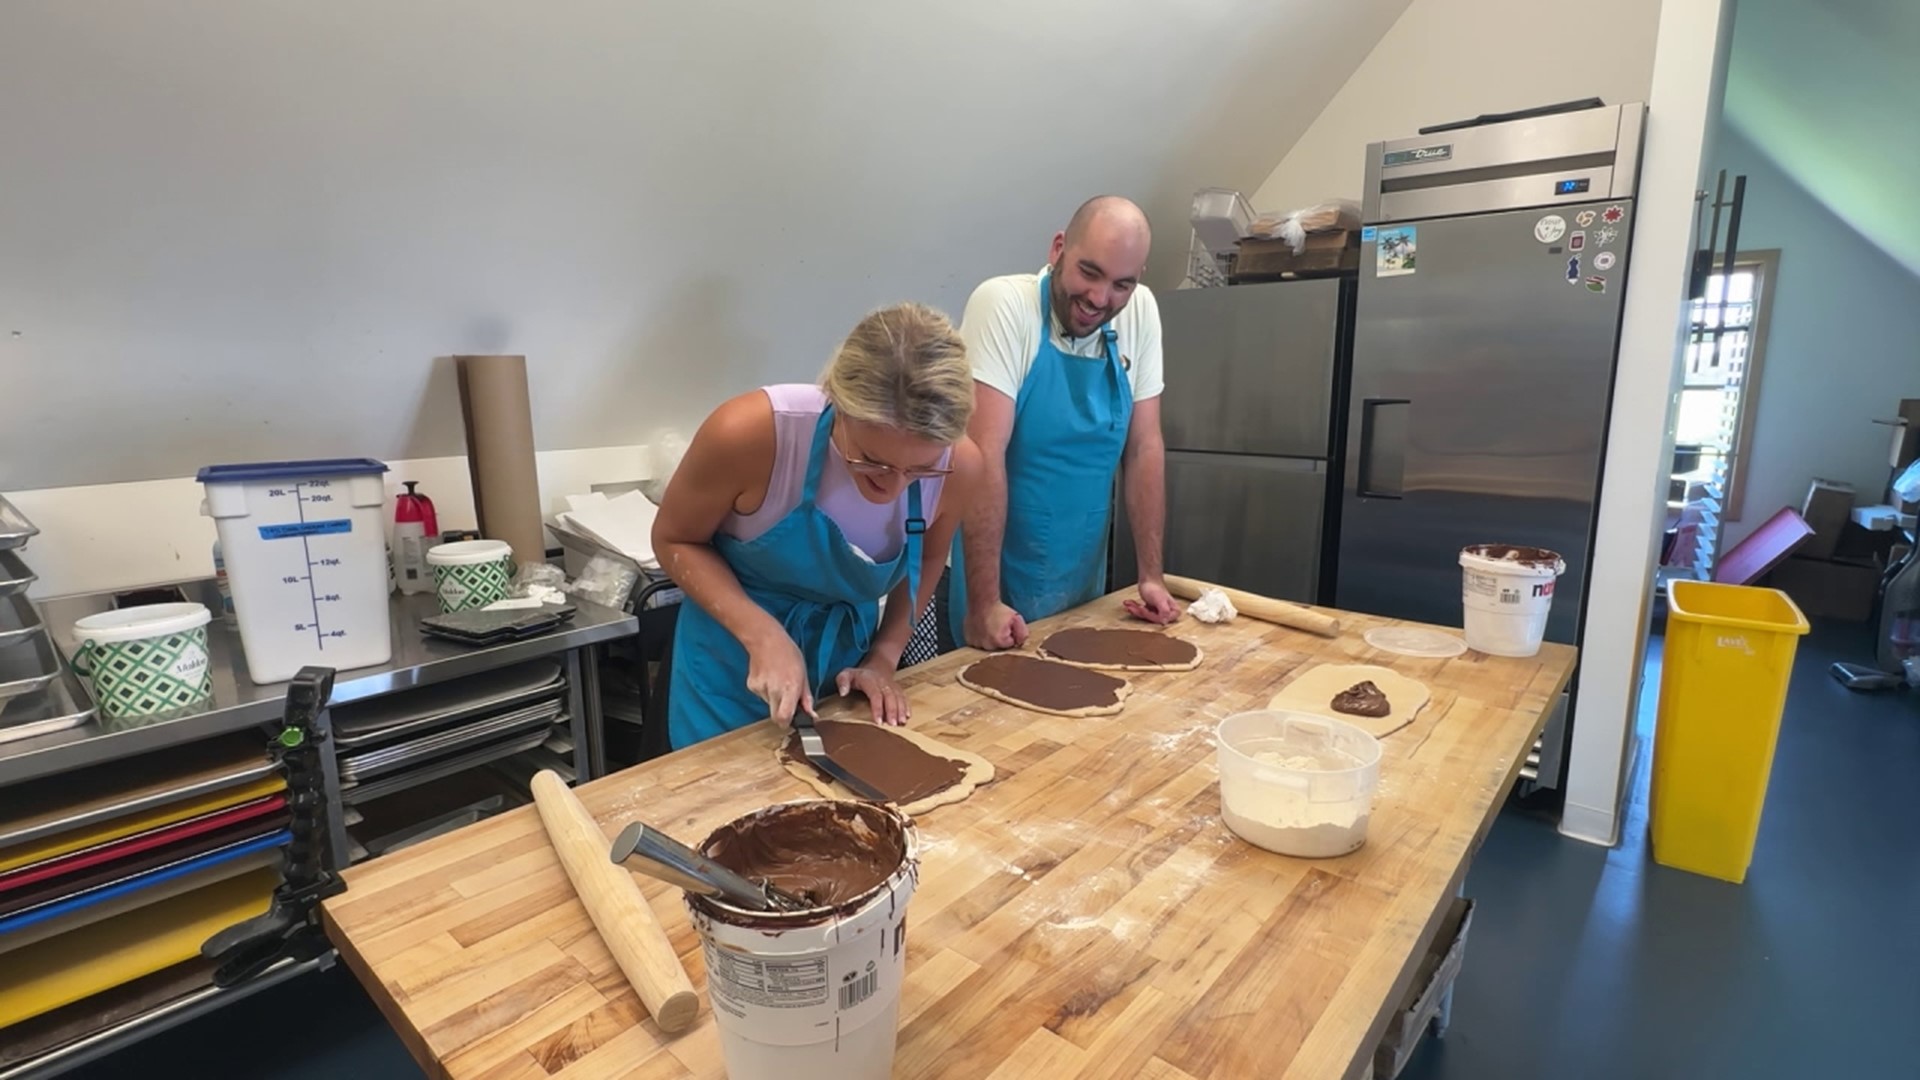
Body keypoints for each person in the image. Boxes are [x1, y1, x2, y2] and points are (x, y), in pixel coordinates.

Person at [653, 303, 981, 749]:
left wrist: (882, 658)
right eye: (872, 461)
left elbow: (928, 560)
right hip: (727, 673)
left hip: (840, 677)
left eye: (920, 470)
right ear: (837, 402)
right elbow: (674, 539)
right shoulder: (754, 434)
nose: (893, 486)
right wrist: (762, 633)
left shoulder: (960, 466)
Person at [942, 195, 1176, 652]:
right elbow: (982, 454)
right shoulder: (1005, 305)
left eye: (1121, 285)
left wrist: (1151, 576)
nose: (1099, 299)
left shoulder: (1141, 311)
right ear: (1058, 249)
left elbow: (1145, 447)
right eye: (1089, 273)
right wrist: (985, 603)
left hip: (1081, 580)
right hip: (997, 574)